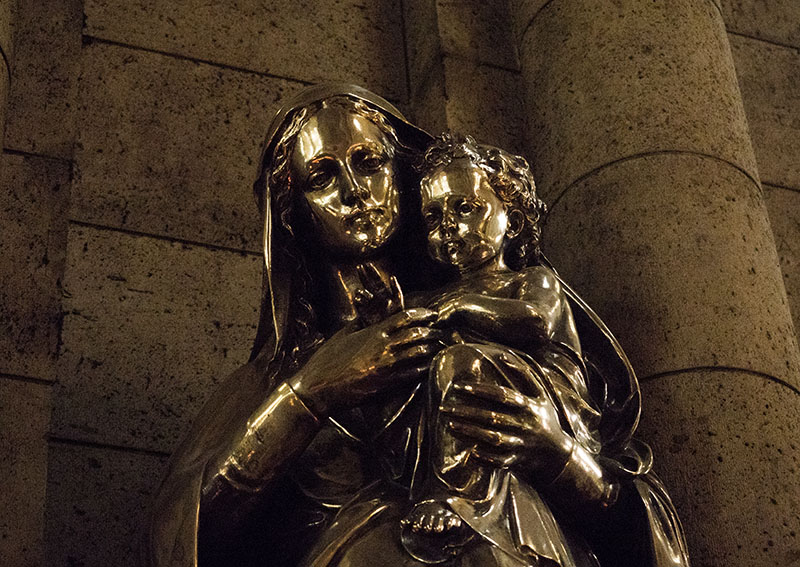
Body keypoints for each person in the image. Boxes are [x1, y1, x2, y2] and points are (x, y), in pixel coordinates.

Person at [143, 85, 690, 567]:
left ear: (403, 174)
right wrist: (311, 393)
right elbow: (184, 534)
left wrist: (557, 455)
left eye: (369, 162)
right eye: (322, 176)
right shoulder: (275, 379)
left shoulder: (495, 316)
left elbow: (637, 519)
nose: (356, 191)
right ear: (293, 212)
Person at [394, 134, 611, 566]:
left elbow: (535, 322)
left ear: (511, 221)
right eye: (433, 217)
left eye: (465, 208)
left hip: (547, 394)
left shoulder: (530, 280)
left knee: (462, 361)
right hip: (472, 407)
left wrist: (460, 307)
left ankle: (460, 496)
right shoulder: (435, 295)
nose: (448, 227)